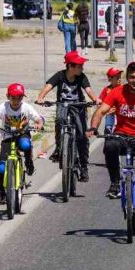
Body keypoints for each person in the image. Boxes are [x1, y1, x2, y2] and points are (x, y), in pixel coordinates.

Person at [88, 61, 135, 227]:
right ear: (127, 78)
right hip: (122, 135)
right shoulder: (117, 92)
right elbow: (101, 111)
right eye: (132, 77)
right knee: (109, 145)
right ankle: (115, 183)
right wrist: (93, 127)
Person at [35, 50, 97, 183]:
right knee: (59, 120)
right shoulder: (60, 75)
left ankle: (84, 167)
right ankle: (59, 148)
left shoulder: (81, 77)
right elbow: (48, 86)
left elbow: (88, 90)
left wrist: (95, 99)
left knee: (82, 136)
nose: (82, 68)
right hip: (63, 105)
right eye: (79, 65)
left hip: (78, 106)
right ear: (70, 66)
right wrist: (40, 97)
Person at [0, 83, 45, 205]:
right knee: (1, 167)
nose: (16, 101)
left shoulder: (26, 107)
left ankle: (28, 161)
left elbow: (38, 117)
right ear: (8, 97)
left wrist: (39, 123)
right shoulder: (4, 107)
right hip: (7, 137)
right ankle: (2, 192)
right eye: (13, 98)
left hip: (22, 135)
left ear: (22, 98)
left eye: (19, 98)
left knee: (26, 145)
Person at [99, 68, 124, 135]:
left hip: (121, 114)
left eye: (120, 77)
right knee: (109, 116)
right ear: (110, 79)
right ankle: (108, 129)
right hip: (110, 114)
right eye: (117, 77)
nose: (119, 79)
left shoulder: (124, 89)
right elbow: (100, 101)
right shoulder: (107, 90)